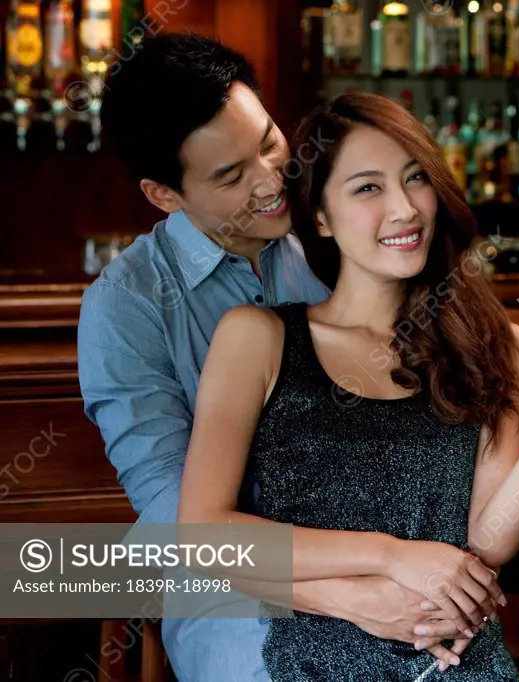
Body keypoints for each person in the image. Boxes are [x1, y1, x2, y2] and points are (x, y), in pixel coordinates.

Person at [176, 91, 519, 680]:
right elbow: (205, 536)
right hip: (316, 668)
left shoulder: (497, 343)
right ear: (322, 218)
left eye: (415, 179)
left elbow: (490, 541)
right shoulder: (257, 338)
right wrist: (393, 558)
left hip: (462, 663)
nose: (405, 209)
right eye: (367, 188)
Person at [77, 32, 474, 682]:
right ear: (164, 195)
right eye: (232, 176)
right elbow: (183, 530)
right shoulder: (128, 307)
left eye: (267, 142)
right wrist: (354, 593)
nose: (271, 181)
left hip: (391, 564)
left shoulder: (334, 238)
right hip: (237, 603)